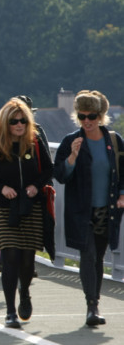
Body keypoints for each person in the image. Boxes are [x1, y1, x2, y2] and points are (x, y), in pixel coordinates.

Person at [0, 98, 53, 329]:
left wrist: (36, 185)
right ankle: (9, 311)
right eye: (14, 121)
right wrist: (0, 188)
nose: (19, 125)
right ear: (6, 123)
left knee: (27, 260)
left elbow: (48, 169)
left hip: (30, 206)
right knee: (10, 256)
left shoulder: (34, 141)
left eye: (23, 121)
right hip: (3, 208)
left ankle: (24, 292)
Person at [53, 90, 124, 327]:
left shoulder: (114, 141)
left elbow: (122, 172)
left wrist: (122, 194)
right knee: (88, 253)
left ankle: (95, 301)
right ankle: (91, 305)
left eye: (91, 116)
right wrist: (72, 156)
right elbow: (60, 175)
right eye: (82, 116)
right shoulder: (70, 141)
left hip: (107, 209)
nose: (87, 121)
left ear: (101, 115)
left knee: (98, 258)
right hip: (81, 210)